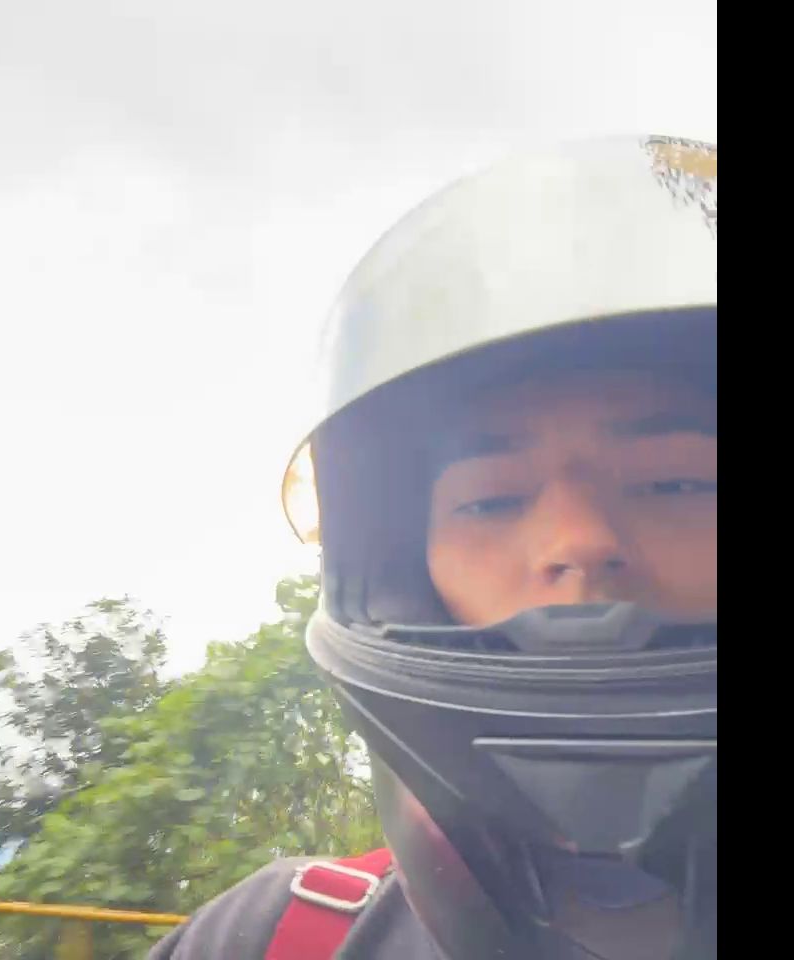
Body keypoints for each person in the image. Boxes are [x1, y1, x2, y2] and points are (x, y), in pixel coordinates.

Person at [150, 134, 717, 960]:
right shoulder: (271, 941)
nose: (579, 543)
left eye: (676, 484)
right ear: (401, 567)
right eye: (491, 500)